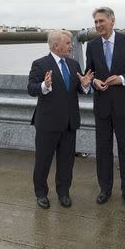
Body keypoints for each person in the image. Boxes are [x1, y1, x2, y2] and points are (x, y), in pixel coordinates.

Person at [85, 6, 125, 208]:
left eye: (101, 21)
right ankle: (105, 189)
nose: (98, 25)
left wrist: (121, 79)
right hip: (102, 105)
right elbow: (89, 72)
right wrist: (94, 83)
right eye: (95, 22)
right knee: (103, 150)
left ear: (112, 21)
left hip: (123, 105)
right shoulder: (93, 45)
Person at [27, 30, 94, 209]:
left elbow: (79, 89)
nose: (71, 46)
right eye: (68, 43)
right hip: (47, 123)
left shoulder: (73, 65)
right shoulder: (40, 64)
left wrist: (85, 85)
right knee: (43, 161)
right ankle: (41, 193)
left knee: (66, 162)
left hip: (69, 123)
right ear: (56, 45)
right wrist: (44, 85)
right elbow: (31, 88)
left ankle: (63, 193)